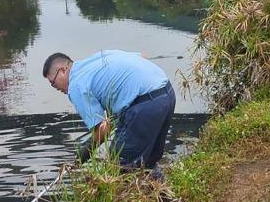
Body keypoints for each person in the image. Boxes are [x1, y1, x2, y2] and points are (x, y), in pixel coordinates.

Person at [43, 50, 175, 172]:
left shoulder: (76, 85)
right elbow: (141, 56)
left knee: (119, 166)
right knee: (148, 161)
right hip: (167, 94)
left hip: (144, 108)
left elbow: (102, 130)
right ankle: (162, 194)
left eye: (53, 83)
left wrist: (81, 157)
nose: (55, 88)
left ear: (63, 70)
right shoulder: (98, 58)